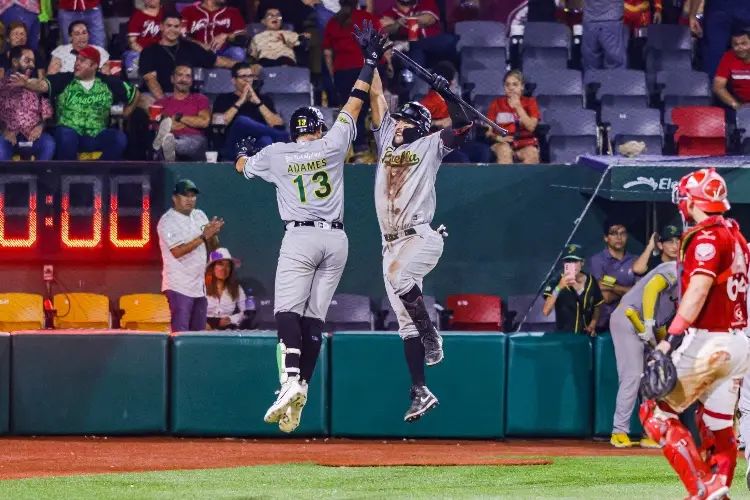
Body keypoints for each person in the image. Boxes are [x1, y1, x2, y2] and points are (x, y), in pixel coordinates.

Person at [234, 21, 387, 434]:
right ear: (317, 129)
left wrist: (243, 154)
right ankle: (303, 386)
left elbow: (243, 169)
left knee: (287, 312)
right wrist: (370, 62)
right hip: (336, 238)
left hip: (300, 234)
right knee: (314, 319)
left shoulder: (279, 153)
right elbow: (355, 102)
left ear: (293, 131)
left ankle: (290, 383)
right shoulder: (333, 144)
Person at [367, 33, 473, 422]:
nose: (396, 126)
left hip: (421, 236)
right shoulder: (388, 147)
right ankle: (421, 390)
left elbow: (462, 129)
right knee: (403, 324)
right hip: (389, 245)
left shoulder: (429, 145)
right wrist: (373, 60)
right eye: (397, 122)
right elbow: (377, 98)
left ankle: (432, 336)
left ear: (419, 125)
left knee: (400, 280)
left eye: (404, 121)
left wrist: (448, 95)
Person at [640, 167, 750, 499]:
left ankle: (702, 488)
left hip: (710, 340)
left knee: (654, 411)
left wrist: (669, 340)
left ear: (693, 200)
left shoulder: (706, 237)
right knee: (716, 425)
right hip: (738, 342)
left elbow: (698, 290)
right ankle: (719, 490)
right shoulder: (735, 233)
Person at [607, 229, 680, 450]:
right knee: (632, 375)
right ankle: (619, 431)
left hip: (650, 326)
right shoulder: (674, 268)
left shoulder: (693, 279)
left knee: (654, 378)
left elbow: (666, 316)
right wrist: (647, 323)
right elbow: (650, 289)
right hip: (628, 318)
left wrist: (658, 341)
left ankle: (650, 432)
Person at [10, 46, 138, 161]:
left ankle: (99, 172)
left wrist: (127, 112)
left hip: (98, 135)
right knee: (65, 133)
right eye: (77, 59)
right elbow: (41, 85)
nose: (77, 63)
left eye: (82, 61)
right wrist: (27, 84)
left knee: (119, 138)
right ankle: (70, 176)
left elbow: (135, 93)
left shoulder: (108, 82)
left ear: (93, 66)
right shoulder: (64, 79)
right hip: (70, 134)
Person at [157, 179, 224, 333]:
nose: (190, 200)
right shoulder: (167, 221)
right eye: (185, 196)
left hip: (198, 288)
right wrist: (203, 237)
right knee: (181, 334)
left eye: (193, 196)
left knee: (198, 337)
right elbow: (178, 251)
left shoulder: (200, 215)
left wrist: (212, 234)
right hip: (178, 286)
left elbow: (213, 246)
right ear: (175, 198)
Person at [323, 0, 385, 162]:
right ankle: (384, 148)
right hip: (367, 69)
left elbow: (328, 53)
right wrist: (388, 65)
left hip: (343, 73)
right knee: (377, 106)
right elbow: (381, 44)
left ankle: (359, 149)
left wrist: (333, 75)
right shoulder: (367, 17)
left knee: (354, 111)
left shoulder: (333, 21)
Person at [139, 12, 238, 107]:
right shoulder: (149, 51)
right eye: (169, 26)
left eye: (176, 26)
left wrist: (243, 65)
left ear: (181, 28)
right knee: (144, 100)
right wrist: (166, 103)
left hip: (185, 96)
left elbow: (218, 61)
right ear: (161, 27)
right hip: (159, 97)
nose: (172, 30)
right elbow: (151, 81)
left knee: (203, 103)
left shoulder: (191, 47)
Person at [419, 60, 492, 163]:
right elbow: (417, 126)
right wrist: (438, 123)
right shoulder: (426, 103)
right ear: (452, 83)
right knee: (462, 160)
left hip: (458, 143)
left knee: (483, 151)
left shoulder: (455, 101)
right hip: (438, 147)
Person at [212, 63, 288, 161]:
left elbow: (278, 124)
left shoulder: (264, 99)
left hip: (256, 146)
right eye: (243, 76)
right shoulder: (223, 98)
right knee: (242, 121)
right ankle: (284, 137)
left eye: (250, 76)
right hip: (233, 146)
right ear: (234, 80)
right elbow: (218, 123)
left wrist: (258, 102)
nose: (247, 80)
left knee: (266, 140)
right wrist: (240, 101)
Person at [0, 46, 54, 160]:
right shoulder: (2, 86)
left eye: (33, 61)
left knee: (49, 144)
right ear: (15, 62)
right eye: (27, 60)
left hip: (33, 136)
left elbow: (47, 111)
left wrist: (40, 126)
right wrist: (4, 129)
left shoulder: (38, 85)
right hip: (9, 137)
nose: (33, 65)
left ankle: (39, 177)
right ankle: (8, 178)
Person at [151, 65, 210, 161]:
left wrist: (178, 117)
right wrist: (189, 121)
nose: (184, 79)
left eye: (188, 76)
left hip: (194, 140)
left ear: (191, 81)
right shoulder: (160, 103)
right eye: (180, 75)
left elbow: (204, 122)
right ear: (172, 79)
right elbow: (154, 127)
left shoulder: (200, 99)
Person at [541, 244, 603, 336]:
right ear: (563, 264)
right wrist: (559, 287)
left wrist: (592, 326)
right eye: (568, 261)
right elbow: (546, 311)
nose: (571, 265)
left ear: (582, 262)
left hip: (584, 337)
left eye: (574, 261)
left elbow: (597, 306)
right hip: (563, 337)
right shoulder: (557, 280)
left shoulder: (591, 280)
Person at [588, 219, 639, 331]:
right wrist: (628, 290)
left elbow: (640, 291)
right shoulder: (597, 260)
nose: (619, 237)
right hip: (603, 322)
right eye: (613, 233)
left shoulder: (635, 260)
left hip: (630, 320)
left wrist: (613, 288)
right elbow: (603, 293)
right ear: (606, 238)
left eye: (622, 233)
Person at [486, 70, 540, 165]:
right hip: (501, 144)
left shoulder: (530, 102)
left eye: (515, 84)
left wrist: (518, 107)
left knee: (532, 153)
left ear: (522, 86)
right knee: (505, 151)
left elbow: (531, 127)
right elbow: (488, 132)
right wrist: (499, 138)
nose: (511, 88)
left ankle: (524, 179)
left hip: (524, 144)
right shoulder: (496, 103)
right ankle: (508, 179)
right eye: (507, 85)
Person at [689, 0, 750, 80]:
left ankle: (710, 89)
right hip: (744, 9)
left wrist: (692, 15)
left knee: (713, 57)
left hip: (717, 10)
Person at [181, 0, 248, 62]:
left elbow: (242, 33)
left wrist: (226, 36)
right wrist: (199, 44)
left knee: (238, 53)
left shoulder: (232, 11)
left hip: (224, 51)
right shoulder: (188, 11)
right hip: (197, 51)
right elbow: (181, 34)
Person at [205, 247, 248, 330]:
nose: (224, 269)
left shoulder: (236, 288)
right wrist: (201, 323)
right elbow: (191, 310)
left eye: (228, 265)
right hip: (204, 328)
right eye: (220, 264)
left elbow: (246, 311)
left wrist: (231, 319)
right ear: (212, 267)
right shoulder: (202, 286)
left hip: (227, 330)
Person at [582, 0, 628, 70]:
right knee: (614, 63)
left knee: (591, 62)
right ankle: (614, 80)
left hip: (591, 19)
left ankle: (592, 80)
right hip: (611, 20)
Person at [713, 30, 750, 112]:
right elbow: (718, 87)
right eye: (736, 44)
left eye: (744, 43)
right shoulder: (728, 56)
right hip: (740, 102)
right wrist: (736, 105)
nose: (740, 48)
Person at [124, 0, 163, 72]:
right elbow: (132, 41)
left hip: (163, 51)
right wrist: (145, 54)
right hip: (141, 52)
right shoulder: (137, 15)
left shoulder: (167, 14)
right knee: (132, 56)